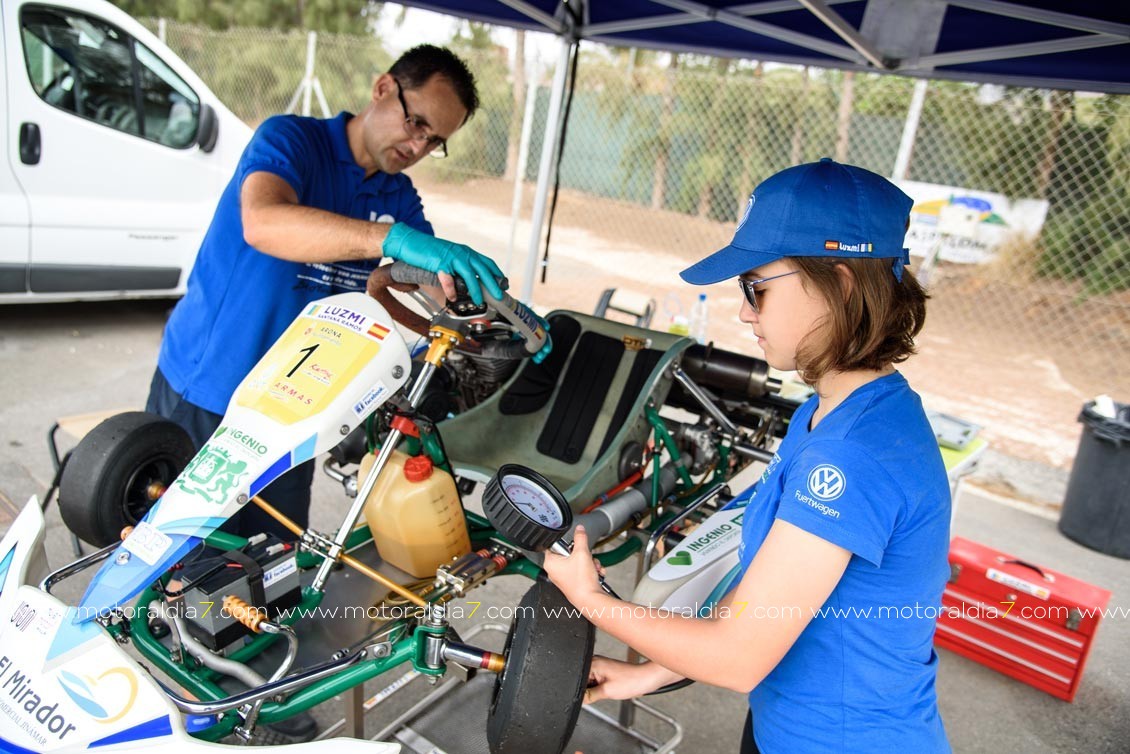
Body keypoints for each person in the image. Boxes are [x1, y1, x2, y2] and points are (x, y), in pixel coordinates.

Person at [544, 158, 951, 753]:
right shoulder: (832, 412)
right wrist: (649, 673)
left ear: (839, 284)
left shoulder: (852, 453)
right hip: (788, 727)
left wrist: (591, 599)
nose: (743, 310)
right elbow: (761, 594)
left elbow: (739, 658)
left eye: (756, 288)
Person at [147, 45, 511, 543]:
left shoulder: (396, 194)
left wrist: (491, 308)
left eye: (435, 141)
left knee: (268, 568)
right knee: (170, 563)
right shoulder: (292, 140)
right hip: (211, 389)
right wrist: (389, 239)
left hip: (297, 408)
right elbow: (262, 223)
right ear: (384, 88)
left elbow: (429, 278)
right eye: (416, 123)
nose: (418, 146)